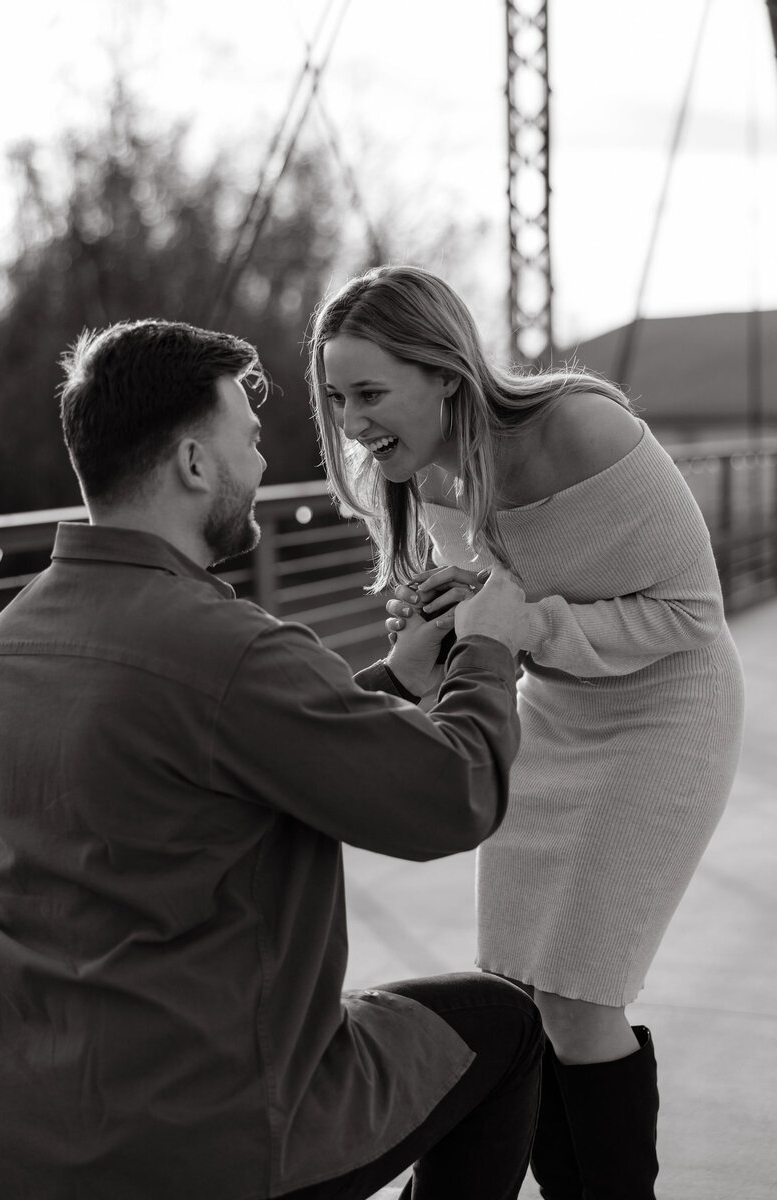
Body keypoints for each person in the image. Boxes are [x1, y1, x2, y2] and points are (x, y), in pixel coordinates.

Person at [0, 319, 545, 1200]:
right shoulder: (228, 647)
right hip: (212, 1135)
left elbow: (213, 753)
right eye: (248, 441)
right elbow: (453, 796)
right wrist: (487, 652)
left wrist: (393, 680)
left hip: (24, 1130)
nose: (263, 467)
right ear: (195, 465)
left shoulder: (8, 640)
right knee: (503, 1025)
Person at [307, 265, 746, 1200]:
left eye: (370, 394)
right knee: (520, 994)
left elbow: (690, 614)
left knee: (583, 1004)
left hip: (665, 714)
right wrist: (461, 616)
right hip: (548, 717)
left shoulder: (583, 427)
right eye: (338, 397)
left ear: (446, 375)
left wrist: (523, 625)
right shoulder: (424, 470)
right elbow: (511, 603)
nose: (351, 422)